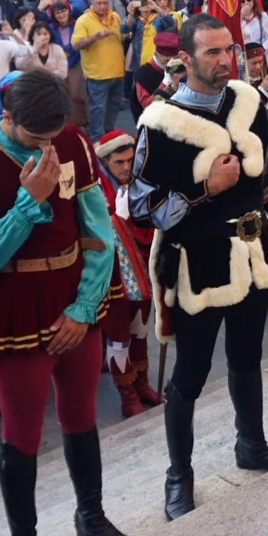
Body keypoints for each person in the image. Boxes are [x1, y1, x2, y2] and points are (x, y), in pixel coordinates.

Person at [0, 70, 131, 536]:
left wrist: (84, 307)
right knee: (22, 435)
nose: (48, 146)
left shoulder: (72, 140)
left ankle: (90, 519)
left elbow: (98, 229)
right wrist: (30, 202)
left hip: (74, 300)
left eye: (53, 135)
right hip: (16, 315)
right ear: (7, 113)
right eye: (35, 137)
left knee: (81, 416)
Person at [131, 16, 268, 520]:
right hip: (198, 266)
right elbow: (140, 206)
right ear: (186, 59)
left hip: (250, 255)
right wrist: (207, 191)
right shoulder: (160, 125)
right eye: (212, 53)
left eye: (230, 50)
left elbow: (266, 165)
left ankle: (252, 444)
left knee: (247, 358)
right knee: (191, 374)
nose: (225, 60)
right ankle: (179, 476)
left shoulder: (251, 103)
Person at [88, 130, 160, 419]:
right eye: (119, 162)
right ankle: (127, 394)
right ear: (105, 162)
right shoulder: (94, 192)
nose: (126, 167)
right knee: (119, 338)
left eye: (131, 160)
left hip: (143, 272)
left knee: (141, 332)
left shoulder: (143, 184)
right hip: (112, 278)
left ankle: (142, 385)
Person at [72, 0, 128, 140]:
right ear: (92, 4)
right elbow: (76, 45)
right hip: (97, 75)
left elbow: (121, 38)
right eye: (99, 3)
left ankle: (109, 133)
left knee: (114, 106)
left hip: (118, 71)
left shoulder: (115, 16)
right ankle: (97, 139)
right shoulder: (83, 20)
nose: (103, 6)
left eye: (105, 3)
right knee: (98, 109)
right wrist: (96, 37)